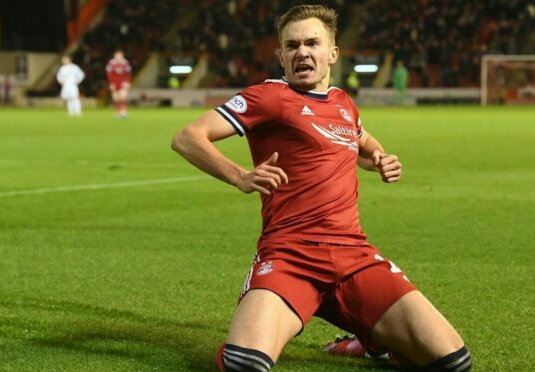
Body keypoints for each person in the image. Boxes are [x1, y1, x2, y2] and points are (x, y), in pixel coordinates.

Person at [171, 4, 470, 372]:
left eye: (312, 43)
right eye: (292, 45)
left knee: (453, 362)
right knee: (244, 364)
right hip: (289, 257)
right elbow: (188, 137)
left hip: (354, 259)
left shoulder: (344, 103)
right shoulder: (268, 97)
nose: (302, 52)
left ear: (332, 53)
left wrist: (379, 157)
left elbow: (359, 141)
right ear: (280, 55)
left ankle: (371, 344)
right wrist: (240, 176)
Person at [106, 49, 132, 118]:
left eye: (120, 56)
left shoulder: (125, 63)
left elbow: (128, 74)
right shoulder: (111, 63)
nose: (118, 58)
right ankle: (117, 112)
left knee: (122, 96)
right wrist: (111, 83)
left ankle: (123, 111)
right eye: (117, 56)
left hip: (122, 82)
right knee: (115, 98)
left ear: (122, 56)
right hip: (114, 83)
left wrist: (127, 82)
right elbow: (109, 74)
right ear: (114, 56)